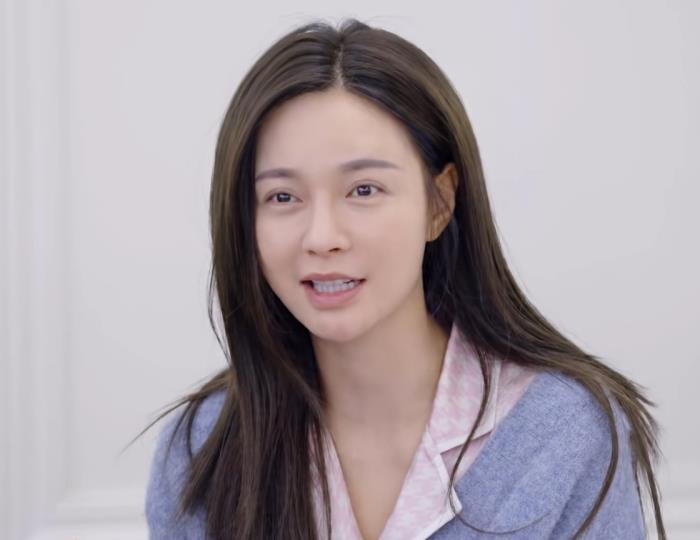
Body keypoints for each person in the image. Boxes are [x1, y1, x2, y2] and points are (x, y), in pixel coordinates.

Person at [139, 18, 666, 539]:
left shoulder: (564, 431)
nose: (322, 237)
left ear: (439, 203)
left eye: (364, 190)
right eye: (282, 196)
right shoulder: (202, 447)